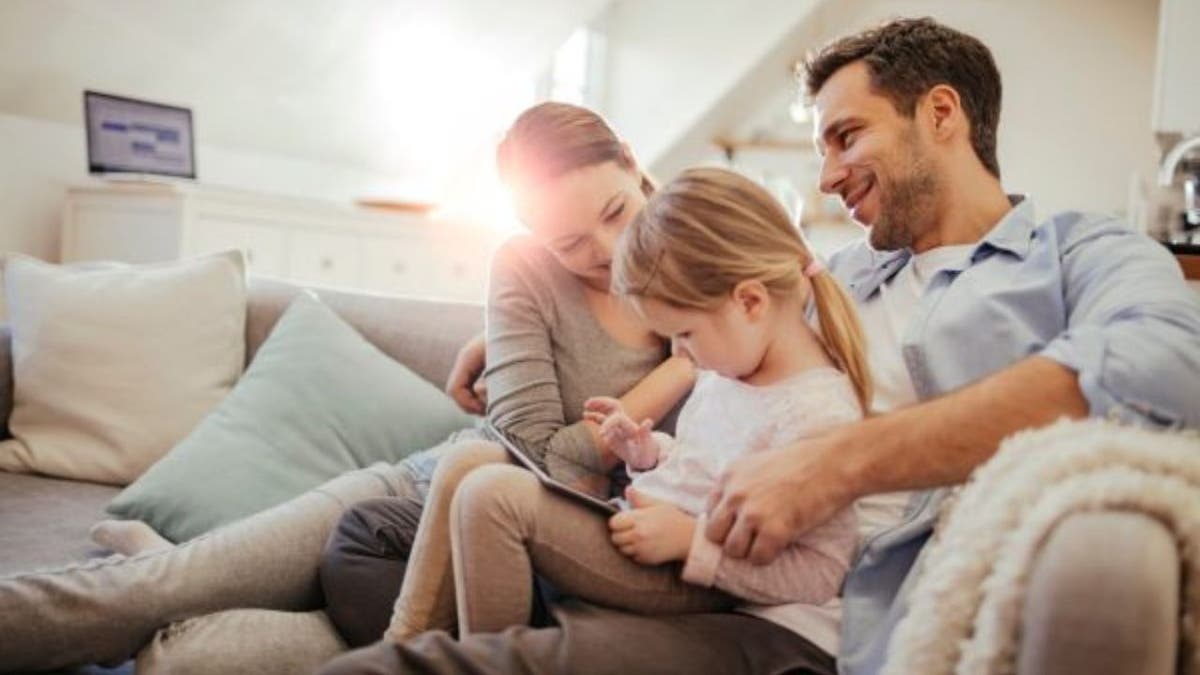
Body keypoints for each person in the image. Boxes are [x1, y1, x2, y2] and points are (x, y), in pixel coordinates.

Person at [323, 17, 1200, 675]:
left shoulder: (1078, 252)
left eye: (846, 136)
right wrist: (505, 328)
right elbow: (703, 314)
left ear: (942, 115)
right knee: (362, 539)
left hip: (797, 598)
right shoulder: (833, 277)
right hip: (671, 513)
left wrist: (839, 463)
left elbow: (1167, 367)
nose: (824, 175)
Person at [0, 101, 695, 673]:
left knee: (195, 659)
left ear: (634, 166)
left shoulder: (706, 267)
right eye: (570, 244)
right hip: (416, 497)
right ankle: (174, 567)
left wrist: (689, 355)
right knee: (157, 592)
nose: (605, 255)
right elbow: (535, 454)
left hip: (527, 569)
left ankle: (180, 565)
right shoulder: (526, 267)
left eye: (613, 213)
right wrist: (681, 368)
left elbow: (793, 301)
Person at [358, 167, 870, 648]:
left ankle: (480, 661)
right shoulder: (730, 372)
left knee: (493, 498)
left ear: (751, 302)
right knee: (470, 468)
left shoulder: (816, 416)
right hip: (646, 531)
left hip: (691, 576)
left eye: (685, 334)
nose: (683, 357)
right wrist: (648, 452)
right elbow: (706, 466)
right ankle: (405, 649)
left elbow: (821, 570)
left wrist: (692, 542)